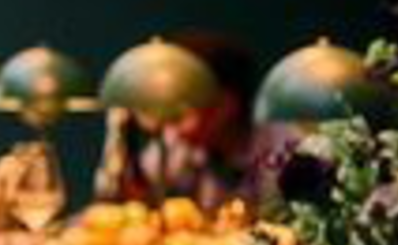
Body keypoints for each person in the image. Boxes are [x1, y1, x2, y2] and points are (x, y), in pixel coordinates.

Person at [98, 28, 276, 211]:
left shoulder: (281, 151)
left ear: (227, 103)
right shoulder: (178, 142)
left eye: (187, 101)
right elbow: (134, 197)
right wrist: (126, 140)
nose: (173, 117)